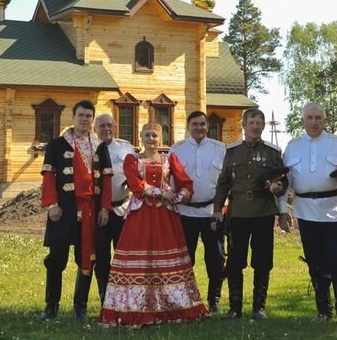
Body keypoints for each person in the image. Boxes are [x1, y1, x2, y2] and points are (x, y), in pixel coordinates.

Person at [98, 122, 208, 328]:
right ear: (140, 137)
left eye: (155, 136)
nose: (151, 139)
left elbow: (185, 181)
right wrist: (161, 193)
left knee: (166, 256)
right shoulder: (133, 159)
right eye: (147, 135)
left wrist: (182, 195)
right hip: (141, 214)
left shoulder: (169, 159)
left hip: (166, 216)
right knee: (140, 256)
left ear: (161, 138)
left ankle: (172, 304)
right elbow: (135, 184)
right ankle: (136, 306)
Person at [278, 103, 337, 325]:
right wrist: (282, 211)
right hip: (305, 212)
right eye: (309, 118)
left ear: (324, 120)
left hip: (333, 211)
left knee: (336, 259)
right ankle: (324, 311)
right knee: (314, 261)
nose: (314, 122)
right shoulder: (293, 146)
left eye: (318, 118)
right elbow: (284, 182)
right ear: (303, 120)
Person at [40, 99, 113, 320]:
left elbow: (107, 180)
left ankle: (79, 307)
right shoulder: (57, 144)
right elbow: (49, 177)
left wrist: (105, 209)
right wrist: (52, 204)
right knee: (56, 258)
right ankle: (51, 306)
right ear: (73, 117)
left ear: (92, 119)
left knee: (87, 258)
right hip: (64, 209)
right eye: (81, 115)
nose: (85, 119)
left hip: (91, 209)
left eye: (88, 116)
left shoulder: (98, 145)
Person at [213, 107, 288, 320]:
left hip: (263, 212)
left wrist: (278, 188)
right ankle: (235, 307)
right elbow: (224, 182)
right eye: (251, 123)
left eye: (259, 123)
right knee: (236, 260)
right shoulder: (232, 151)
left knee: (263, 260)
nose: (255, 127)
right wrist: (217, 209)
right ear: (243, 126)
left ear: (263, 126)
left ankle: (259, 307)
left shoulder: (273, 152)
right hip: (238, 213)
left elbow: (283, 179)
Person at [170, 111, 226, 312]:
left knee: (216, 258)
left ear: (208, 125)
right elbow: (169, 183)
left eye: (202, 124)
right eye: (195, 124)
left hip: (212, 212)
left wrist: (221, 209)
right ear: (188, 126)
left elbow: (226, 182)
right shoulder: (177, 150)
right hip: (185, 213)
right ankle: (185, 299)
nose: (199, 127)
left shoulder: (220, 149)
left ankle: (214, 300)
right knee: (185, 259)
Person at [86, 113, 134, 305]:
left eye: (109, 125)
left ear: (114, 126)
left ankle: (124, 294)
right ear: (94, 129)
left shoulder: (126, 148)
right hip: (99, 211)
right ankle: (105, 294)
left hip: (122, 208)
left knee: (123, 254)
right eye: (101, 126)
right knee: (101, 254)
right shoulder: (90, 148)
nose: (106, 129)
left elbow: (134, 175)